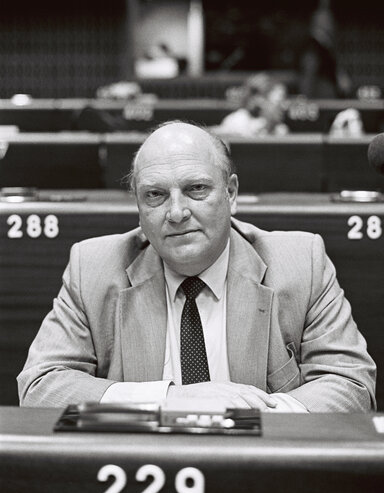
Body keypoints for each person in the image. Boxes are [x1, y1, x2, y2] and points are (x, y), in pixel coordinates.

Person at [17, 121, 376, 412]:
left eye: (196, 189)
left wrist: (244, 416)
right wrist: (169, 399)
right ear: (138, 205)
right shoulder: (93, 267)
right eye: (155, 195)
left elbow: (351, 386)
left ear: (231, 194)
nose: (176, 213)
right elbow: (40, 386)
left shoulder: (300, 262)